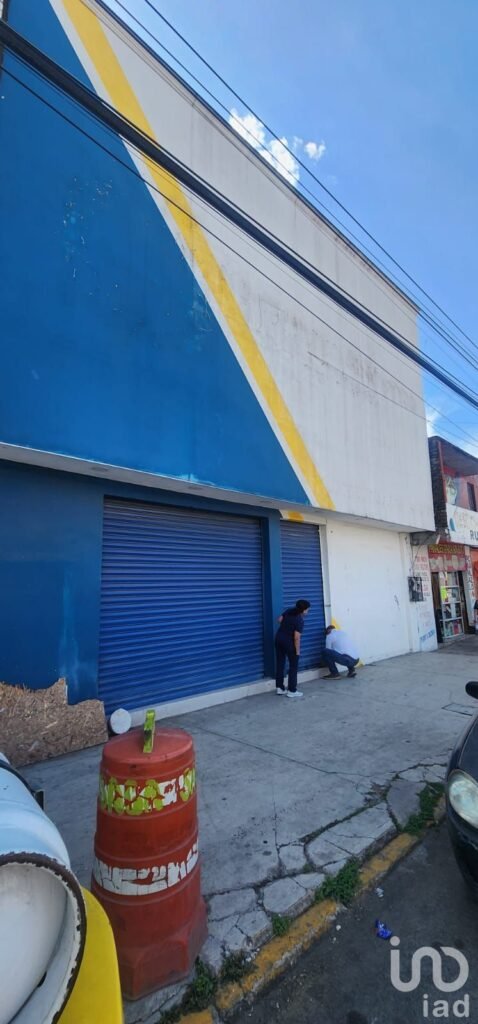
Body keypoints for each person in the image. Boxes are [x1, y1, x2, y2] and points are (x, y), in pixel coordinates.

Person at [275, 599, 311, 699]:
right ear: (303, 610)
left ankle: (280, 688)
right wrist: (297, 651)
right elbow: (296, 637)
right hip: (288, 642)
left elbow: (279, 620)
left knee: (280, 663)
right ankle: (292, 690)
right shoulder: (299, 620)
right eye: (307, 609)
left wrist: (286, 627)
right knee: (293, 666)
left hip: (278, 639)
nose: (308, 611)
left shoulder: (289, 611)